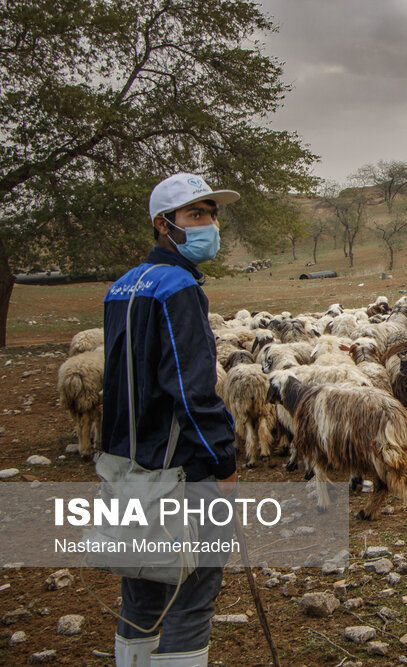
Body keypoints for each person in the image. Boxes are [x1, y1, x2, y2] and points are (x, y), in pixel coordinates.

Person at [102, 173, 239, 666]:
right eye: (195, 215)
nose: (209, 225)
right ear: (165, 225)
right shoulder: (179, 287)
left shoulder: (122, 286)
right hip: (181, 471)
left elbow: (118, 382)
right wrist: (223, 460)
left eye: (211, 214)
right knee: (191, 592)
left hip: (127, 467)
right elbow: (191, 390)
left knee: (141, 586)